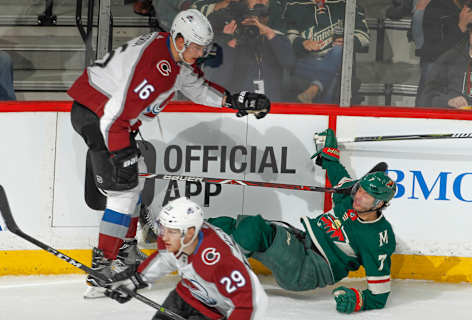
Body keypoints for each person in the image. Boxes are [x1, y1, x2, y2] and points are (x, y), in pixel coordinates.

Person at [67, 8, 271, 298]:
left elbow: (196, 87)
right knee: (123, 191)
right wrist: (121, 152)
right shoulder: (158, 68)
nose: (201, 53)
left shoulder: (173, 56)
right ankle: (103, 269)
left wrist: (234, 101)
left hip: (103, 113)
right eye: (197, 47)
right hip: (98, 115)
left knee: (133, 181)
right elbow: (114, 117)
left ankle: (124, 252)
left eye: (203, 47)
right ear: (179, 40)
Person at [208, 128, 397, 314]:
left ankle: (217, 279)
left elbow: (379, 295)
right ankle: (192, 235)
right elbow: (338, 173)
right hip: (301, 242)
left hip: (310, 268)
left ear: (380, 204)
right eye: (360, 190)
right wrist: (330, 154)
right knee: (226, 225)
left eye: (367, 196)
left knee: (253, 230)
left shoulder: (378, 237)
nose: (359, 197)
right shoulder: (350, 195)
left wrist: (357, 300)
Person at [104, 197, 268, 320]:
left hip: (217, 312)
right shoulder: (173, 237)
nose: (163, 236)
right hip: (186, 295)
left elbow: (249, 303)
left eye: (171, 231)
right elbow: (164, 259)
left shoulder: (219, 260)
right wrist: (134, 281)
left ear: (190, 232)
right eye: (163, 228)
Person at [203, 0, 296, 101]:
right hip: (240, 108)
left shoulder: (274, 38)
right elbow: (216, 83)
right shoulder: (226, 41)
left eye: (261, 15)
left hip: (272, 108)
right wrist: (228, 44)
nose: (260, 1)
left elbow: (289, 63)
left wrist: (270, 34)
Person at [284, 0, 369, 103]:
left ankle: (314, 90)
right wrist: (302, 43)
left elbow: (364, 37)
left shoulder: (348, 4)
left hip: (339, 62)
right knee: (333, 76)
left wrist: (350, 41)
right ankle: (321, 102)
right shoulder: (295, 4)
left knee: (339, 51)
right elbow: (287, 38)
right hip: (307, 62)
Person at [414, 0, 472, 107]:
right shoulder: (435, 7)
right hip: (441, 62)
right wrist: (460, 27)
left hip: (468, 63)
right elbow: (431, 53)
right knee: (430, 67)